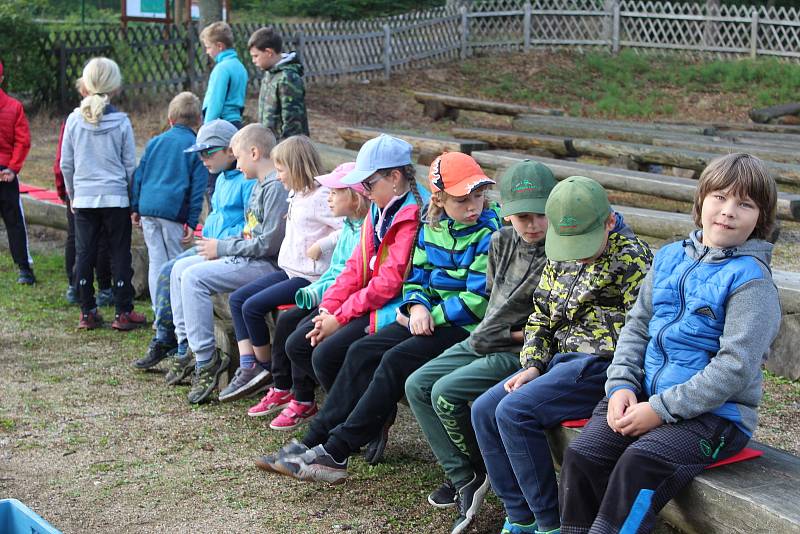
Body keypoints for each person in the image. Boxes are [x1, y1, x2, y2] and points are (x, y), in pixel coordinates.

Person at [559, 154, 781, 534]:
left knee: (639, 464)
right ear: (701, 201)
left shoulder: (751, 282)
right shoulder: (668, 258)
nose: (728, 211)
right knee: (583, 456)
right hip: (646, 397)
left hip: (714, 418)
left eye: (744, 204)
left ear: (760, 218)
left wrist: (660, 410)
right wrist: (622, 386)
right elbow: (636, 327)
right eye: (720, 197)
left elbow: (735, 367)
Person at [268, 151, 502, 486]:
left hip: (461, 327)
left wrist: (428, 314)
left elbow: (477, 301)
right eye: (462, 199)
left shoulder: (489, 233)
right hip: (426, 319)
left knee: (393, 360)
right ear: (438, 198)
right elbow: (416, 279)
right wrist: (415, 306)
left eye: (478, 196)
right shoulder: (430, 225)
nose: (473, 207)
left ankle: (336, 451)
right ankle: (312, 441)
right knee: (362, 351)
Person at [471, 176, 653, 534]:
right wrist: (533, 364)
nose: (577, 251)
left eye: (584, 241)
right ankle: (519, 515)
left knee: (513, 411)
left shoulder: (634, 259)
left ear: (609, 222)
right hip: (559, 363)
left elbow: (643, 329)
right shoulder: (560, 250)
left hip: (600, 366)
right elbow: (541, 314)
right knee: (483, 409)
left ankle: (549, 522)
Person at [252, 134, 426, 471]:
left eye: (368, 181)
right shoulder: (380, 209)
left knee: (334, 351)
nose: (363, 188)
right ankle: (357, 422)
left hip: (394, 310)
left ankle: (340, 432)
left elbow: (390, 283)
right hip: (374, 306)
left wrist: (342, 315)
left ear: (394, 177)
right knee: (312, 348)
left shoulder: (411, 216)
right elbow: (354, 268)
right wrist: (328, 309)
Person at [404, 160, 557, 529]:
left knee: (445, 392)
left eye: (540, 215)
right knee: (416, 385)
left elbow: (552, 322)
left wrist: (507, 336)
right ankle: (464, 477)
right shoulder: (502, 241)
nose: (532, 225)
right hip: (483, 338)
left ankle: (485, 470)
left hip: (517, 351)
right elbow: (491, 299)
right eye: (522, 217)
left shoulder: (560, 250)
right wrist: (416, 305)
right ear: (507, 215)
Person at [169, 123, 288, 405]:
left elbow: (268, 244)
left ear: (255, 152)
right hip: (248, 258)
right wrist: (224, 246)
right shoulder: (261, 185)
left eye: (238, 155)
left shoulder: (274, 188)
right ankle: (188, 347)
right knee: (182, 269)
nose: (236, 162)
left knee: (194, 278)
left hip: (267, 266)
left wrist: (221, 247)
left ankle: (206, 360)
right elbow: (251, 233)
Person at [246, 162, 370, 429]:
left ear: (355, 195)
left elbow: (353, 277)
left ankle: (348, 403)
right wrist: (314, 294)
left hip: (349, 303)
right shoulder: (350, 225)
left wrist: (319, 297)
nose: (329, 196)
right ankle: (302, 396)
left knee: (299, 341)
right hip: (330, 296)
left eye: (335, 192)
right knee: (289, 324)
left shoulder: (365, 230)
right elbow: (338, 270)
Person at [220, 134, 341, 407]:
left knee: (253, 307)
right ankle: (254, 365)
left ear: (297, 166)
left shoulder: (322, 196)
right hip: (289, 270)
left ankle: (267, 372)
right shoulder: (296, 194)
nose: (278, 175)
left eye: (281, 169)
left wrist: (322, 244)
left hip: (309, 278)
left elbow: (346, 229)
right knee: (238, 299)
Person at [133, 119, 254, 372]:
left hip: (228, 250)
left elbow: (248, 226)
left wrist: (219, 243)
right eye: (199, 153)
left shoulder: (248, 181)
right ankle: (174, 340)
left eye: (208, 152)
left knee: (172, 271)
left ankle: (181, 345)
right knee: (168, 269)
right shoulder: (221, 179)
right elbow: (216, 216)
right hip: (210, 245)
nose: (202, 159)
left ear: (231, 151)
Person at [60, 57, 145, 331]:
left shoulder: (74, 120)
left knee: (84, 253)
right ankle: (123, 311)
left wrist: (72, 195)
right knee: (120, 252)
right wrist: (133, 199)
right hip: (115, 197)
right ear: (114, 85)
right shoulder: (121, 121)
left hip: (84, 197)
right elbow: (129, 165)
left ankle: (88, 311)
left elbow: (66, 163)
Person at [130, 91, 207, 313]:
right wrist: (192, 221)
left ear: (170, 119)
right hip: (173, 212)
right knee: (175, 262)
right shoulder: (195, 147)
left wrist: (136, 206)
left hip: (149, 209)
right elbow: (197, 188)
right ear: (198, 121)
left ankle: (159, 311)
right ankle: (175, 312)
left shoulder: (155, 142)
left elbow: (140, 175)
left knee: (156, 261)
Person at [54, 77, 113, 305]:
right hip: (104, 191)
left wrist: (65, 191)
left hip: (79, 191)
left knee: (78, 241)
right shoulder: (113, 120)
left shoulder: (73, 120)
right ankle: (104, 289)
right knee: (100, 241)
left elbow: (62, 161)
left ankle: (75, 287)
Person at [0, 59, 34, 285]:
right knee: (14, 222)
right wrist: (13, 168)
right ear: (2, 78)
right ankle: (24, 269)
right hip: (5, 173)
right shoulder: (14, 107)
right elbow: (22, 141)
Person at [248, 27, 309, 140]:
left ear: (269, 52)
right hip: (269, 143)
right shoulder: (270, 74)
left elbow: (293, 122)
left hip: (285, 148)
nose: (253, 61)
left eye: (256, 56)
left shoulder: (288, 78)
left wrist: (284, 152)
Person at [200, 21, 247, 128]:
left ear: (219, 46)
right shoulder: (240, 67)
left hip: (221, 124)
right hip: (236, 122)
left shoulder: (221, 69)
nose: (207, 52)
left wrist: (206, 128)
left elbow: (215, 101)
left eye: (208, 47)